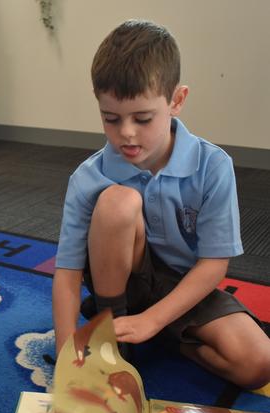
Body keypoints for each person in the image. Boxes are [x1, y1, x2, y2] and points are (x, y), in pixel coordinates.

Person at [52, 19, 270, 390]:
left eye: (142, 118)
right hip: (121, 285)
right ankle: (112, 328)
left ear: (177, 101)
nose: (126, 134)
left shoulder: (212, 165)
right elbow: (68, 273)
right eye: (111, 118)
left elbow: (215, 263)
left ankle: (165, 336)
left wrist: (153, 320)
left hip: (185, 287)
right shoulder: (88, 177)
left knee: (259, 364)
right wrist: (63, 359)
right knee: (118, 203)